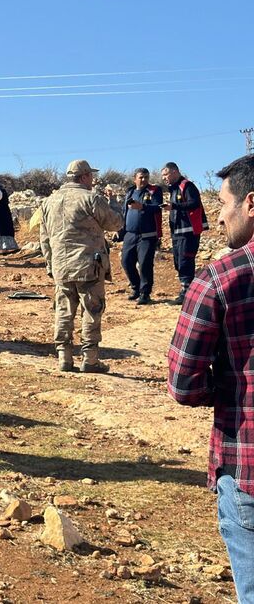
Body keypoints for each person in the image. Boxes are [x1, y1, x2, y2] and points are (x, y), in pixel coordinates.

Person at [167, 154, 254, 603]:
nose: (219, 215)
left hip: (247, 468)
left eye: (224, 203)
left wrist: (227, 387)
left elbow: (184, 383)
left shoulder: (221, 279)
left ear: (251, 203)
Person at [38, 160, 123, 373]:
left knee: (64, 310)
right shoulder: (91, 198)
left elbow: (44, 238)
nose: (92, 180)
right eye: (91, 176)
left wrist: (50, 264)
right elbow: (116, 224)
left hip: (61, 266)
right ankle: (90, 359)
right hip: (88, 265)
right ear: (84, 177)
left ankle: (64, 358)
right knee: (92, 310)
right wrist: (114, 204)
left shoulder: (49, 202)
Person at [164, 162, 209, 305]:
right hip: (177, 233)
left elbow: (194, 203)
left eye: (166, 174)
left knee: (185, 261)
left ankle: (187, 294)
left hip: (188, 232)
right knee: (178, 262)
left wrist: (174, 206)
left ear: (175, 172)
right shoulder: (173, 189)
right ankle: (186, 290)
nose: (164, 178)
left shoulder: (187, 186)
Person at [120, 168, 162, 305]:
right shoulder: (130, 192)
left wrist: (142, 207)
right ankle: (136, 288)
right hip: (130, 234)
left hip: (147, 235)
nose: (144, 180)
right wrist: (120, 230)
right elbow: (124, 211)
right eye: (141, 177)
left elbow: (158, 206)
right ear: (135, 178)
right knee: (126, 261)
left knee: (144, 264)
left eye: (146, 177)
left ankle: (145, 293)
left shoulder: (154, 191)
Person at [0, 180, 19, 254]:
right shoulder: (2, 191)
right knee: (5, 229)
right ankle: (7, 247)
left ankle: (0, 249)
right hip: (4, 213)